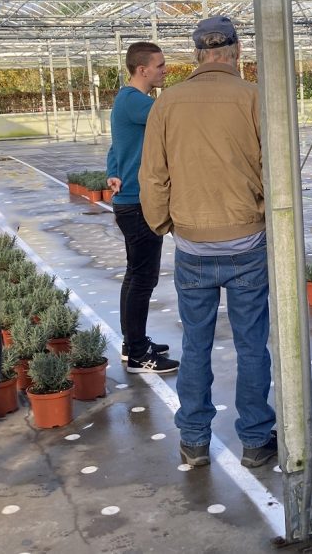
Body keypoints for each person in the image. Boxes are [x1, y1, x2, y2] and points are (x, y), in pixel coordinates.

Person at [139, 16, 277, 469]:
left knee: (195, 344)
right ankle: (256, 440)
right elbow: (274, 171)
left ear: (197, 55)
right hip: (247, 241)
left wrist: (164, 224)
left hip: (194, 244)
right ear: (237, 51)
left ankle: (194, 440)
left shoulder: (167, 103)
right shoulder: (255, 98)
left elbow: (154, 177)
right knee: (251, 344)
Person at [106, 42, 179, 374]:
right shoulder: (137, 102)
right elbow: (175, 118)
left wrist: (113, 171)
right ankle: (138, 353)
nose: (164, 70)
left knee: (136, 276)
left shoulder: (127, 101)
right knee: (142, 279)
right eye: (160, 65)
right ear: (142, 70)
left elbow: (117, 145)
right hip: (138, 203)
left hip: (130, 200)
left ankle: (132, 343)